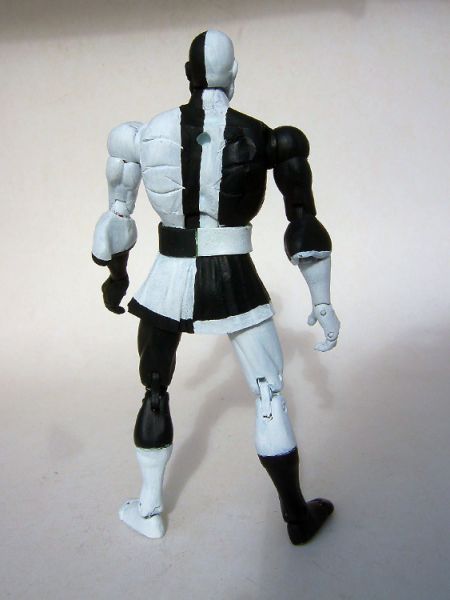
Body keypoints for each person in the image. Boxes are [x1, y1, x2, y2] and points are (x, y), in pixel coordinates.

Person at [92, 30, 340, 545]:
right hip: (234, 282)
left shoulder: (143, 136)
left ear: (188, 74)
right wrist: (321, 300)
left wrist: (116, 276)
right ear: (234, 76)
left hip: (167, 280)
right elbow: (303, 222)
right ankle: (296, 517)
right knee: (269, 393)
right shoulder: (270, 138)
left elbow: (116, 217)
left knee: (155, 391)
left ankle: (150, 509)